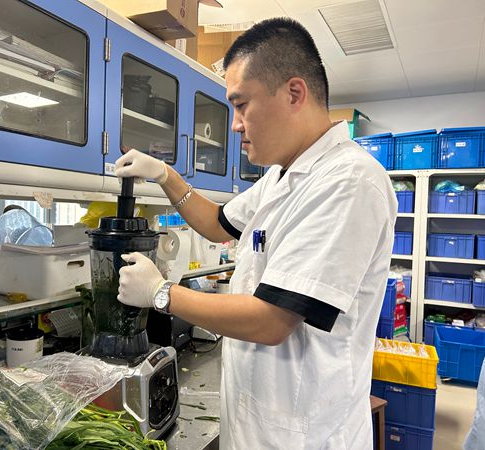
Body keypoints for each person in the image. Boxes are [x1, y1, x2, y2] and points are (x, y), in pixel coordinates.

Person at [115, 17, 397, 449]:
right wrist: (166, 176)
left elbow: (272, 320)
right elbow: (217, 223)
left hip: (305, 433)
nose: (235, 124)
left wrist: (161, 293)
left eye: (241, 105)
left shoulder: (349, 181)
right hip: (258, 423)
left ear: (294, 93)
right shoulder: (283, 176)